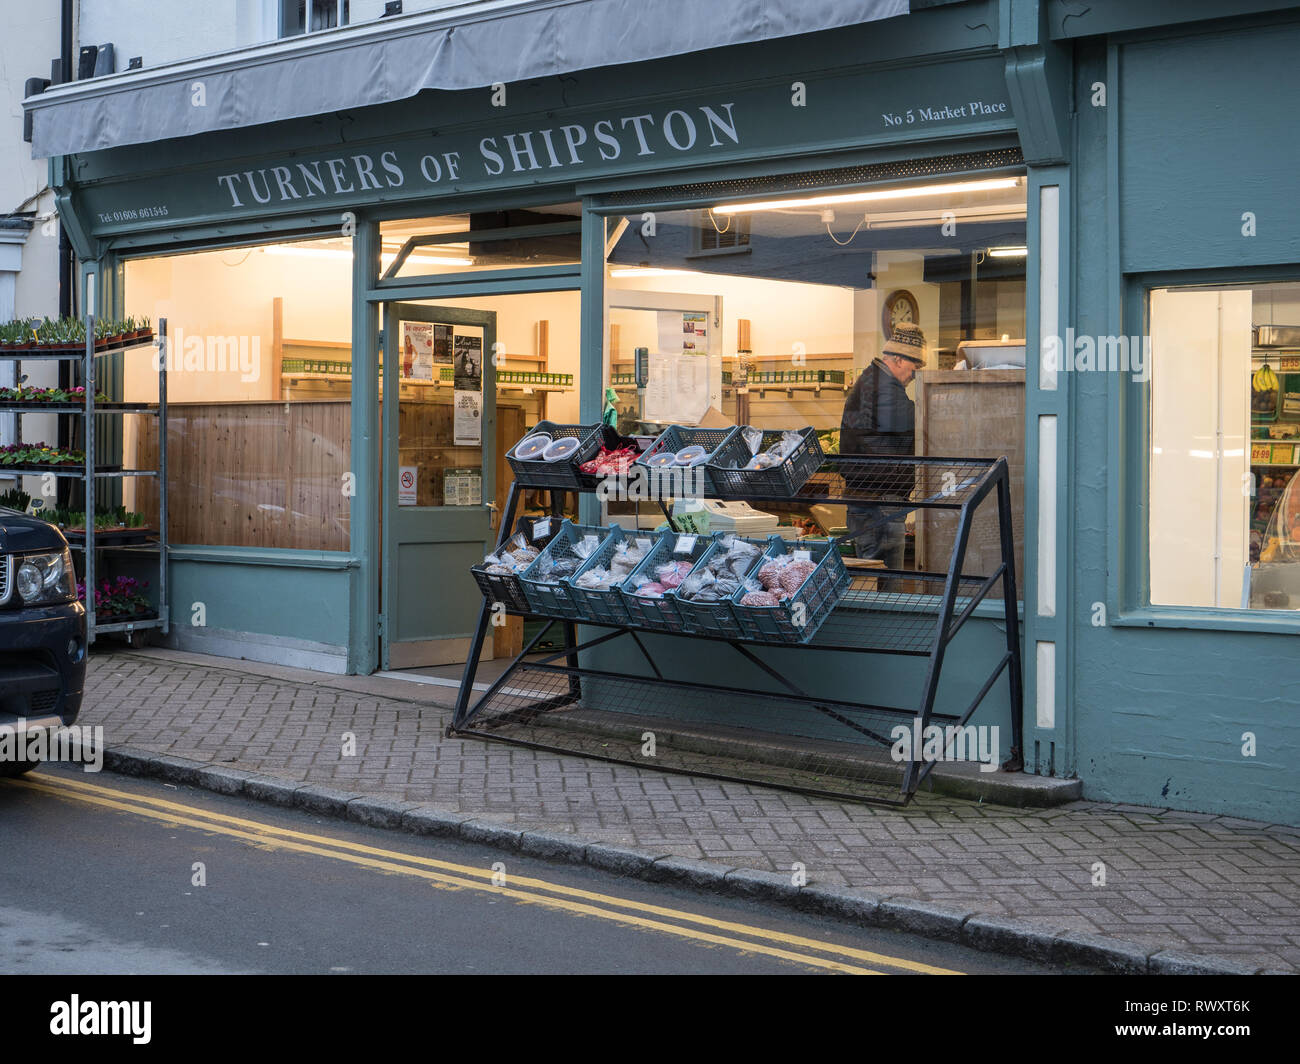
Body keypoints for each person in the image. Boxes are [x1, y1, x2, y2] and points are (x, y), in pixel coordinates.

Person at [839, 322, 927, 571]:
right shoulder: (883, 387)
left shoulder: (874, 381)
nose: (914, 375)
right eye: (914, 367)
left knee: (870, 574)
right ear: (899, 359)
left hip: (869, 499)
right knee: (884, 580)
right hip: (878, 502)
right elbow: (916, 422)